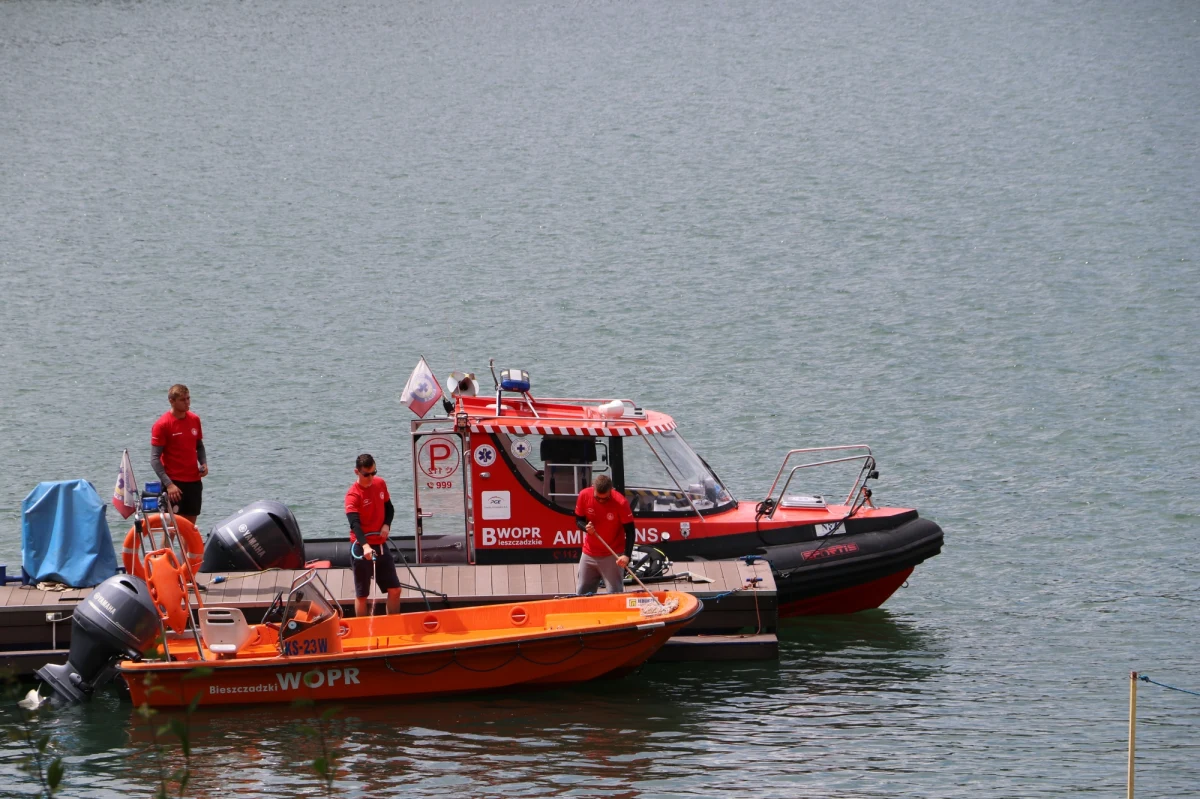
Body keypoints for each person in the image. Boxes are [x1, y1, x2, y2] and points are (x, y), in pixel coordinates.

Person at [344, 454, 402, 616]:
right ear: (357, 472)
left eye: (373, 473)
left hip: (381, 543)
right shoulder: (353, 495)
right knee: (362, 595)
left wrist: (386, 525)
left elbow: (390, 508)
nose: (370, 477)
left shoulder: (380, 483)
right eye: (366, 474)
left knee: (395, 589)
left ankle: (393, 625)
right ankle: (362, 630)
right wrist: (366, 546)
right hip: (362, 547)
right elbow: (354, 525)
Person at [150, 384, 208, 525]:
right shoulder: (162, 425)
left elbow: (199, 446)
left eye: (188, 398)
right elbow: (154, 459)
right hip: (174, 484)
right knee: (171, 529)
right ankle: (167, 548)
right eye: (183, 400)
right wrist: (169, 485)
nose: (187, 402)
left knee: (190, 527)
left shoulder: (194, 419)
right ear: (172, 401)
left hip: (194, 482)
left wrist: (203, 463)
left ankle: (189, 549)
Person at [574, 474, 635, 595]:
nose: (601, 501)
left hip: (612, 555)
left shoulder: (621, 502)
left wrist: (626, 555)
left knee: (615, 594)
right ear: (593, 488)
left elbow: (630, 531)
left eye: (605, 498)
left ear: (611, 491)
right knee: (582, 594)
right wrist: (586, 528)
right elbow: (578, 520)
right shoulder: (584, 495)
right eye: (598, 498)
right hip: (589, 553)